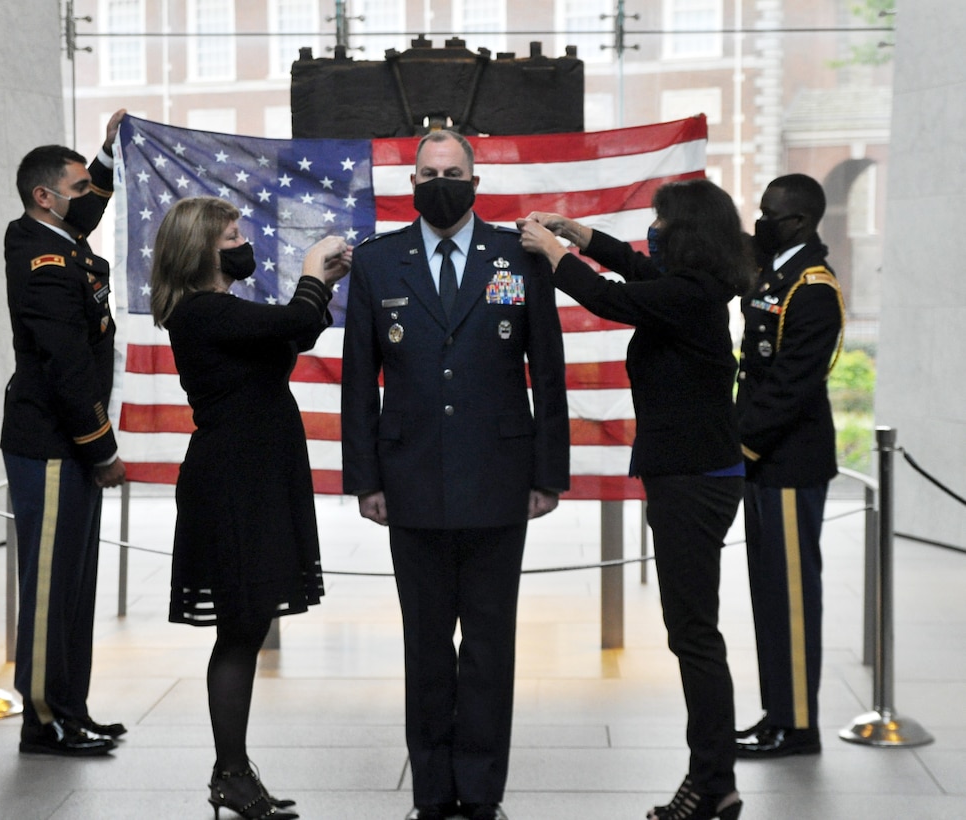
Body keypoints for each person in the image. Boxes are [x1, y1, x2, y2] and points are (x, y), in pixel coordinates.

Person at [341, 129, 570, 820]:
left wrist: (548, 472)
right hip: (408, 480)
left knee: (490, 648)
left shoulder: (515, 256)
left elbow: (548, 372)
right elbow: (359, 380)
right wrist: (364, 477)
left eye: (452, 170)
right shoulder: (380, 263)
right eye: (427, 171)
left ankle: (480, 792)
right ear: (412, 184)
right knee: (426, 646)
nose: (440, 180)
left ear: (475, 181)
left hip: (499, 477)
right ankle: (432, 793)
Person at [519, 178, 752, 820]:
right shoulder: (696, 290)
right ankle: (713, 777)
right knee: (694, 632)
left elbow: (609, 298)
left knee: (694, 636)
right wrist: (579, 234)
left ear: (688, 234)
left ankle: (713, 784)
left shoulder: (692, 298)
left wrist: (550, 252)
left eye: (661, 221)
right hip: (694, 475)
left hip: (692, 480)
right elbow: (636, 271)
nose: (653, 230)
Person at [150, 196, 351, 820]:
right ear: (201, 248)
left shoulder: (223, 311)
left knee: (248, 625)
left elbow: (291, 330)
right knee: (239, 631)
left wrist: (322, 284)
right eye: (231, 234)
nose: (244, 240)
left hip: (259, 475)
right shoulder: (203, 312)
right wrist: (314, 273)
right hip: (234, 482)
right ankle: (231, 774)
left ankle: (232, 772)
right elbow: (292, 322)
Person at [2, 110, 129, 758]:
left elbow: (90, 208)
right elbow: (67, 368)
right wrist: (101, 447)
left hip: (66, 443)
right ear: (42, 196)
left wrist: (107, 154)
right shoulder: (43, 257)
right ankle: (44, 719)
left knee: (75, 587)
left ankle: (70, 707)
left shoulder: (60, 237)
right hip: (53, 444)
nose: (89, 198)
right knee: (51, 590)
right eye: (78, 188)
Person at [734, 174, 845, 759]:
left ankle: (798, 725)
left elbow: (789, 387)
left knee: (793, 598)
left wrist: (741, 448)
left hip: (788, 461)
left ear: (798, 222)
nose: (761, 221)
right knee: (769, 595)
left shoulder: (814, 288)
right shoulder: (779, 272)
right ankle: (777, 711)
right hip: (765, 461)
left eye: (769, 214)